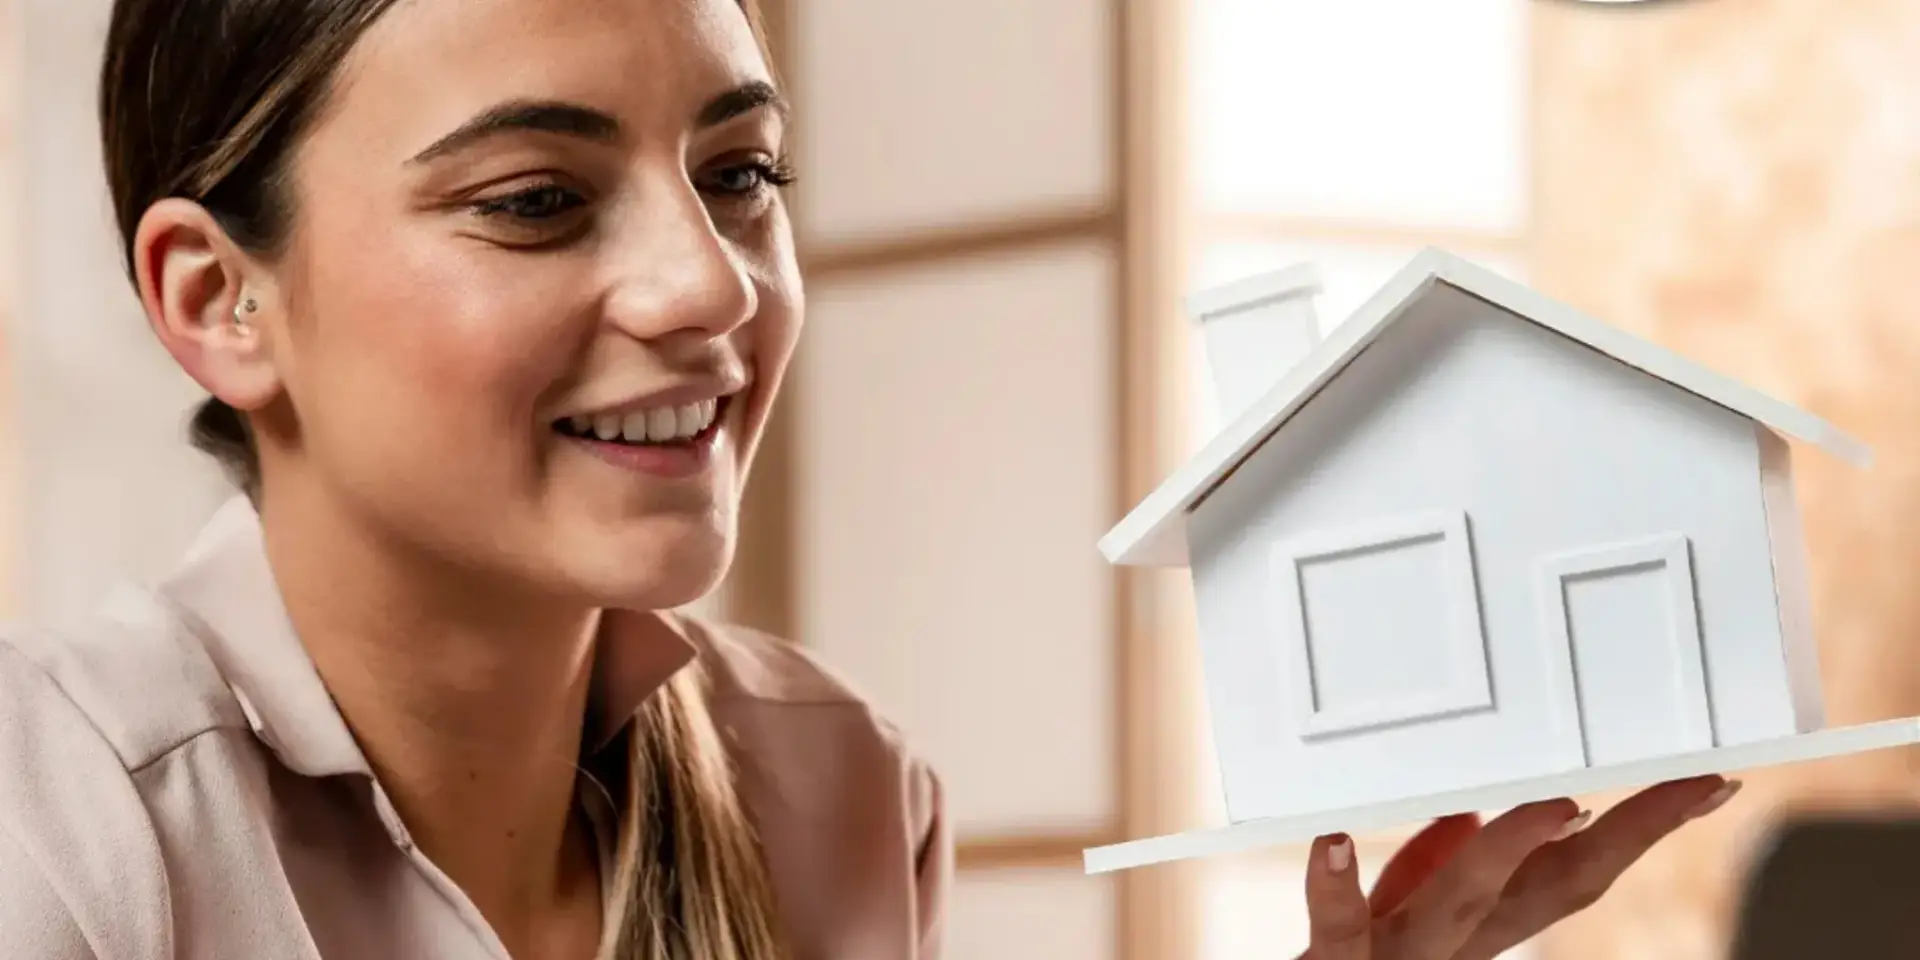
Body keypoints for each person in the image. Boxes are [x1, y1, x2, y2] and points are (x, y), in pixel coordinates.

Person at [0, 0, 1741, 957]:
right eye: (534, 197)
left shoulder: (827, 792)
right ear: (218, 301)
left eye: (741, 171)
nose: (710, 288)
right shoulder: (61, 831)